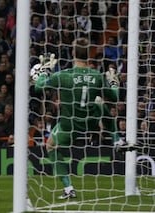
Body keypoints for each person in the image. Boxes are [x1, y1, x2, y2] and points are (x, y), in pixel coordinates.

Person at [33, 38, 124, 199]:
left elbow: (39, 87)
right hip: (92, 121)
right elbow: (114, 98)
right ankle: (117, 139)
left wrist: (44, 71)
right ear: (89, 54)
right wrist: (114, 82)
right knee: (99, 102)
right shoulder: (97, 75)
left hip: (70, 124)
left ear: (73, 53)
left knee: (51, 147)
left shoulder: (63, 75)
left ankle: (68, 188)